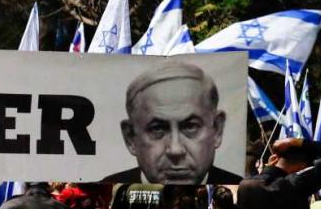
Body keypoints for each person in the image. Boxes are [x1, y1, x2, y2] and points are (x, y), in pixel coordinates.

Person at [102, 61, 241, 185]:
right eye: (157, 129)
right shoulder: (108, 186)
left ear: (217, 130)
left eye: (191, 126)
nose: (175, 150)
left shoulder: (240, 188)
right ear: (130, 137)